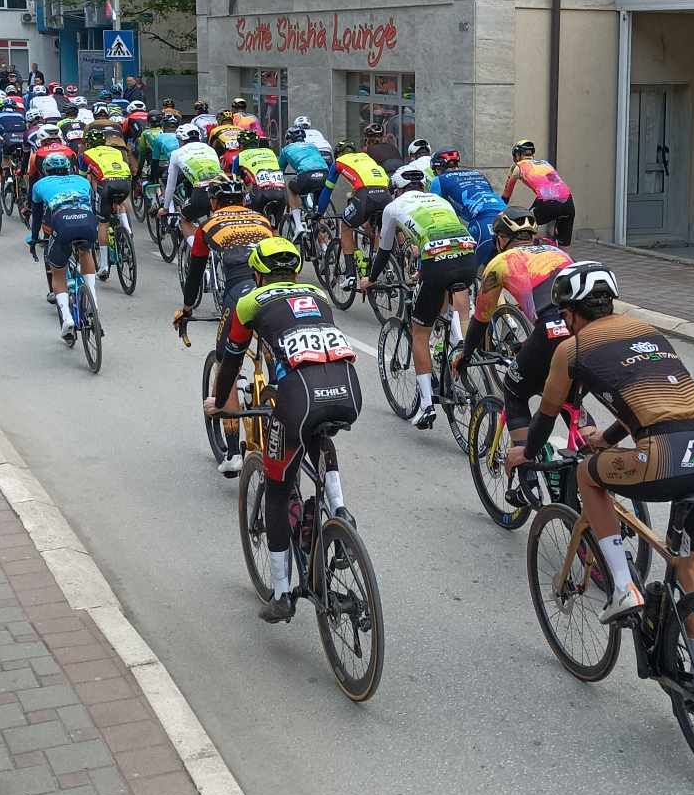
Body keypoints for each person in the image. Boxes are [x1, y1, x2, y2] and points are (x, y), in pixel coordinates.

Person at [515, 263, 694, 647]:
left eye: (565, 314)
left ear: (574, 312)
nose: (565, 321)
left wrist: (526, 454)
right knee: (686, 566)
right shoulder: (650, 333)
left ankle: (622, 587)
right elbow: (654, 403)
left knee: (585, 474)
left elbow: (546, 416)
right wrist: (609, 438)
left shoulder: (572, 348)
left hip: (662, 456)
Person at [205, 235, 361, 620]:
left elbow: (230, 359)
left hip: (298, 394)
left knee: (276, 489)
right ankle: (340, 510)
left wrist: (221, 402)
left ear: (258, 274)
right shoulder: (317, 292)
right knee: (318, 433)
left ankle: (281, 593)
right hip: (349, 389)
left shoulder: (249, 302)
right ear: (294, 271)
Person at [171, 175, 276, 476]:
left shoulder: (208, 226)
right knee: (274, 350)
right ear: (243, 200)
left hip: (239, 293)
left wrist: (187, 307)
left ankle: (233, 454)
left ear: (214, 202)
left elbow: (195, 273)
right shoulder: (262, 220)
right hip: (271, 288)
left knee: (226, 361)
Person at [364, 168, 478, 429]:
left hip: (436, 262)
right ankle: (459, 341)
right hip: (467, 257)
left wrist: (370, 279)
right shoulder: (440, 201)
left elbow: (384, 253)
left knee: (420, 333)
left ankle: (426, 405)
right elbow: (444, 235)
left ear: (397, 189)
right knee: (450, 292)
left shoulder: (393, 207)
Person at [454, 209, 571, 442]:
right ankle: (588, 446)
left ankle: (525, 468)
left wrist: (466, 355)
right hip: (581, 329)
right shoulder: (558, 253)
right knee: (569, 397)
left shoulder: (500, 263)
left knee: (513, 391)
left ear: (502, 238)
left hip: (550, 331)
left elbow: (481, 318)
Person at [27, 150, 100, 343]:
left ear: (46, 171)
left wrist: (34, 239)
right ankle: (93, 302)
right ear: (68, 169)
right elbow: (92, 206)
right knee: (85, 253)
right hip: (87, 220)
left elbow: (36, 217)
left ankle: (67, 318)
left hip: (62, 223)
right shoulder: (82, 181)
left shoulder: (39, 184)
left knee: (58, 272)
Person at [328, 138, 390, 293]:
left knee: (346, 225)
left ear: (338, 155)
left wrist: (318, 212)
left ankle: (350, 275)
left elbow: (326, 191)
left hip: (366, 197)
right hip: (386, 195)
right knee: (374, 228)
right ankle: (380, 265)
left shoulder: (339, 162)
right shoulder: (365, 158)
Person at [429, 150, 506, 265]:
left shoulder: (438, 181)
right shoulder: (478, 174)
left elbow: (437, 213)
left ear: (438, 169)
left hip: (483, 221)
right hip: (508, 214)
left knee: (473, 271)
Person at [80, 124, 135, 275]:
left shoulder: (86, 154)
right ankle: (127, 230)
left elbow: (83, 178)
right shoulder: (114, 151)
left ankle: (104, 265)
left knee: (102, 223)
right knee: (120, 202)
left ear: (88, 144)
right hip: (125, 182)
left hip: (107, 185)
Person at [503, 139, 575, 246]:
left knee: (525, 230)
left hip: (548, 200)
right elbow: (553, 184)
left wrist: (499, 211)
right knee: (563, 245)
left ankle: (538, 245)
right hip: (568, 202)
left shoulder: (517, 167)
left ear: (517, 155)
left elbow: (506, 195)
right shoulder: (545, 164)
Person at [161, 123, 225, 236]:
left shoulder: (176, 153)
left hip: (201, 193)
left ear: (182, 140)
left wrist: (166, 209)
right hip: (221, 190)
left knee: (184, 220)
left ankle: (195, 252)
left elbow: (171, 185)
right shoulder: (210, 149)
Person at [279, 124, 331, 240]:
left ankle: (298, 226)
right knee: (317, 214)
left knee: (291, 188)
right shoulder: (312, 146)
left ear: (289, 140)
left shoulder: (286, 149)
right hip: (324, 174)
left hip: (306, 175)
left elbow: (279, 170)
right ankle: (324, 247)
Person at [236, 132, 287, 228]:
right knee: (275, 230)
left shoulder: (241, 156)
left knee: (242, 209)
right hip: (281, 195)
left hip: (260, 195)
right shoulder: (270, 153)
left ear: (241, 146)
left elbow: (235, 180)